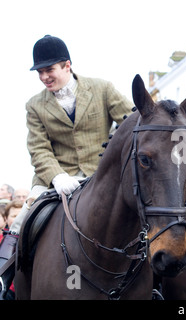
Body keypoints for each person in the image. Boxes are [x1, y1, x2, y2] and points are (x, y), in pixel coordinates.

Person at [0, 35, 134, 298]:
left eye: (49, 70)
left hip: (99, 176)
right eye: (40, 72)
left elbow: (131, 122)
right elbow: (38, 149)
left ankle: (156, 279)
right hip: (53, 179)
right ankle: (6, 279)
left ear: (67, 65)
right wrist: (58, 176)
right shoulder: (34, 105)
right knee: (23, 221)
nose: (44, 77)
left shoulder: (102, 89)